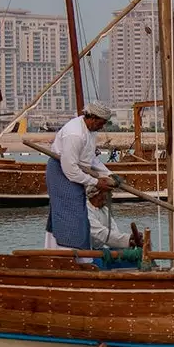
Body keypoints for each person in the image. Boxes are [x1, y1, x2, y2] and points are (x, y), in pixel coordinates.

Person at [45, 101, 115, 250]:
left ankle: (76, 253)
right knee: (70, 214)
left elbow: (90, 158)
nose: (102, 127)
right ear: (93, 118)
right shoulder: (75, 134)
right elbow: (70, 169)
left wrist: (109, 174)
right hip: (61, 171)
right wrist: (96, 182)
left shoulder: (90, 131)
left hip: (76, 170)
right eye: (101, 123)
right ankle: (67, 253)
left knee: (79, 214)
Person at [87, 182, 141, 250]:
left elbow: (114, 231)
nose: (111, 195)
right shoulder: (86, 211)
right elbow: (101, 233)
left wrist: (130, 241)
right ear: (98, 194)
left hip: (104, 249)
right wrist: (128, 239)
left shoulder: (105, 210)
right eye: (108, 192)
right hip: (89, 252)